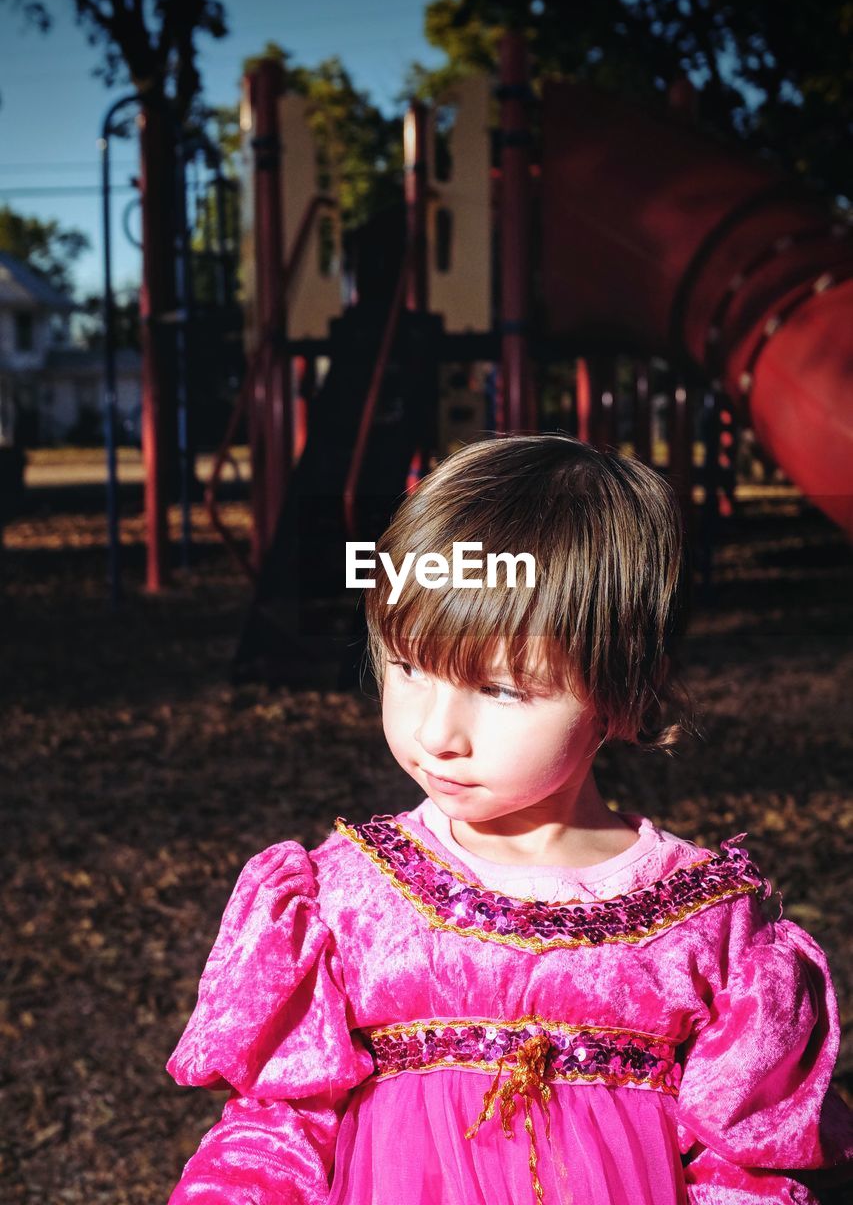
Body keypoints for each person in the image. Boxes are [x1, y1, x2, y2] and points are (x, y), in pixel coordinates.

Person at [166, 434, 852, 1204]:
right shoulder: (342, 899)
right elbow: (277, 1128)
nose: (436, 734)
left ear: (624, 691)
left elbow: (745, 1166)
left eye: (498, 689)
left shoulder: (710, 927)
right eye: (408, 667)